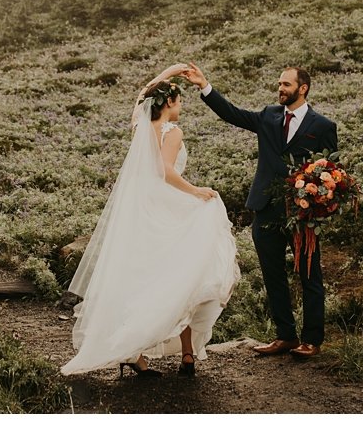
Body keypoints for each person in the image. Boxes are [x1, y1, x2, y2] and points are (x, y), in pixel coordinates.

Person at [63, 64, 239, 378]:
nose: (182, 106)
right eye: (179, 100)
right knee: (182, 280)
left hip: (143, 211)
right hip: (165, 210)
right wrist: (197, 191)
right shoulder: (172, 132)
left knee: (150, 282)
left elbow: (144, 94)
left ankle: (137, 354)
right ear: (169, 102)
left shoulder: (140, 125)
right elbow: (166, 172)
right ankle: (186, 356)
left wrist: (169, 73)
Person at [181, 63, 338, 357]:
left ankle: (312, 340)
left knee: (309, 276)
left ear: (302, 89)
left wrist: (316, 199)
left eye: (286, 85)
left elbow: (332, 170)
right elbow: (233, 114)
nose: (280, 89)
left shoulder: (323, 126)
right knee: (272, 274)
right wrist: (204, 86)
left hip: (302, 216)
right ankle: (285, 336)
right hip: (265, 209)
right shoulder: (268, 116)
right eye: (279, 84)